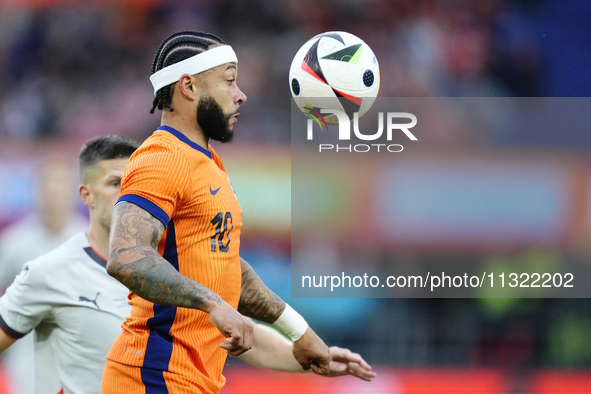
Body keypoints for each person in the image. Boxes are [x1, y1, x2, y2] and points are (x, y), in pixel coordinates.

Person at [0, 135, 375, 394]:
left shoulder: (172, 269)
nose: (130, 193)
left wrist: (308, 356)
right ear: (87, 196)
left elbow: (242, 334)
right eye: (117, 183)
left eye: (136, 181)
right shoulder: (48, 271)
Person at [103, 31, 338, 393]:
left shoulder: (209, 163)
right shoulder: (162, 158)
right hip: (152, 377)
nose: (240, 93)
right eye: (229, 80)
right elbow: (126, 257)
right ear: (189, 87)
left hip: (190, 381)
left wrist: (300, 333)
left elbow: (228, 269)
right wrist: (212, 302)